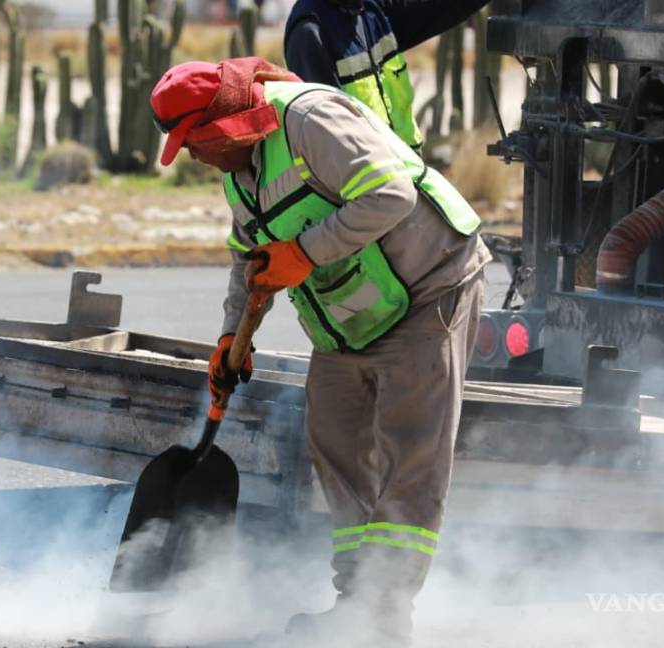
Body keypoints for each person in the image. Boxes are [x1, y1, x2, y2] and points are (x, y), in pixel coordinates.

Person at [150, 57, 490, 646]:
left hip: (429, 286)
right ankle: (358, 601)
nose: (193, 157)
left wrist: (305, 252)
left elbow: (390, 193)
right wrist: (232, 334)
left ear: (223, 125)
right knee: (336, 445)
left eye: (194, 142)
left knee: (411, 453)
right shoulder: (239, 172)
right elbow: (249, 256)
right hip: (350, 320)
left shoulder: (310, 120)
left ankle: (383, 615)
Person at [284, 0, 490, 150]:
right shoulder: (309, 32)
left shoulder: (372, 10)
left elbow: (445, 5)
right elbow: (327, 140)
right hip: (365, 188)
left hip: (406, 175)